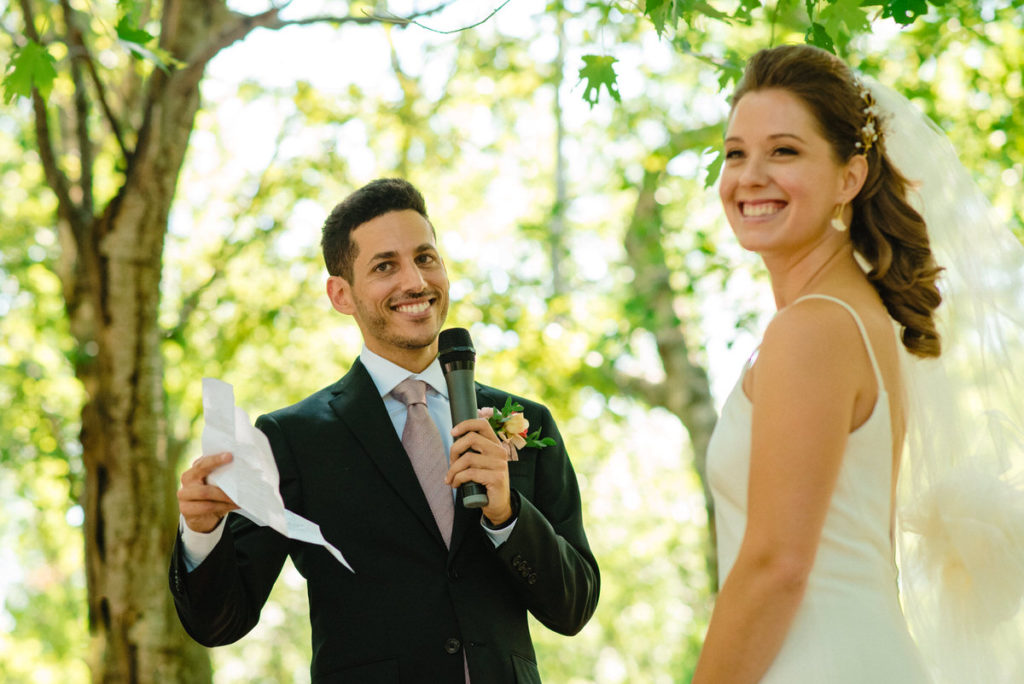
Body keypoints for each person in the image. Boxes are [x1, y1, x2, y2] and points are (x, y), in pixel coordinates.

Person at [169, 178, 600, 683]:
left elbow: (574, 607)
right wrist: (202, 533)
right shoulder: (291, 439)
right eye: (384, 266)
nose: (415, 281)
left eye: (426, 257)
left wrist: (506, 514)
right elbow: (220, 622)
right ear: (341, 294)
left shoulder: (527, 422)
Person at [695, 44, 1024, 683]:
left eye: (784, 151)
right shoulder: (852, 316)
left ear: (850, 177)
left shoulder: (813, 329)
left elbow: (774, 567)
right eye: (737, 153)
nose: (750, 175)